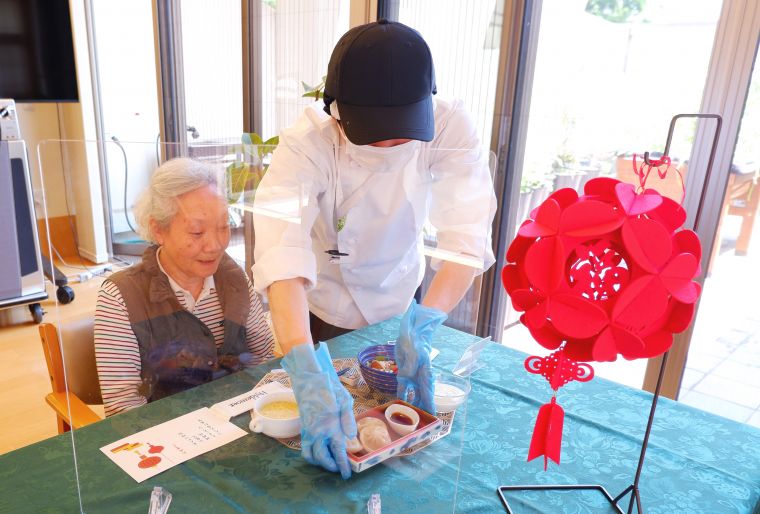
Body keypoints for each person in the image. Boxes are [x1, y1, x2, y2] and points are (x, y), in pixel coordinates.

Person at [252, 20, 496, 478]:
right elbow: (281, 252)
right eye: (372, 131)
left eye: (402, 131)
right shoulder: (306, 144)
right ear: (336, 110)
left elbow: (466, 235)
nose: (388, 143)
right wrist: (305, 370)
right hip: (318, 309)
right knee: (331, 433)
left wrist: (426, 323)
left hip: (399, 299)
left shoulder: (450, 126)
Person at [94, 158, 274, 417]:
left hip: (239, 418)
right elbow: (123, 406)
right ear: (158, 230)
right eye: (197, 232)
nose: (215, 245)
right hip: (168, 432)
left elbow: (261, 356)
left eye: (223, 227)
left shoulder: (232, 277)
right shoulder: (121, 297)